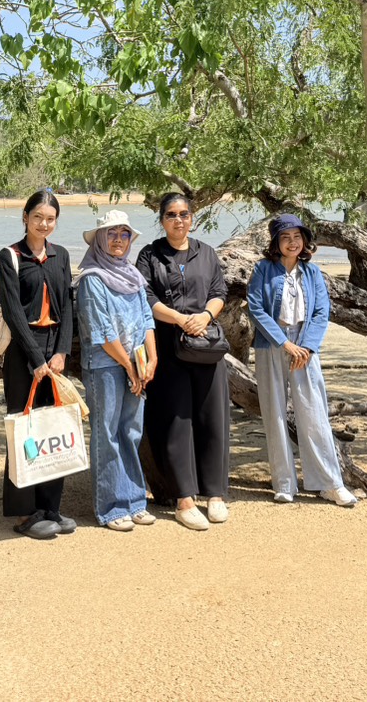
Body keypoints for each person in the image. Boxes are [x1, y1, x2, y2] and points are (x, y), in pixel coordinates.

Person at [247, 214, 357, 508]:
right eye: (285, 237)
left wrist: (306, 347)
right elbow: (256, 309)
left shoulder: (313, 273)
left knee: (314, 413)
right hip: (272, 344)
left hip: (305, 347)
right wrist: (284, 343)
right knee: (275, 414)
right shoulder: (262, 269)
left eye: (297, 237)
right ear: (275, 243)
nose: (292, 242)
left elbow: (322, 312)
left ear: (305, 241)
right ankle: (283, 483)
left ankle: (329, 484)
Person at [136, 192, 231, 531]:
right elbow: (144, 296)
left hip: (205, 344)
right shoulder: (149, 255)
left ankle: (216, 495)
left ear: (192, 218)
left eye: (184, 214)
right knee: (176, 421)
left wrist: (205, 316)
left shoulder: (206, 252)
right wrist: (178, 318)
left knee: (213, 418)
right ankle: (185, 499)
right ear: (162, 220)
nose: (179, 220)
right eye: (172, 214)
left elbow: (220, 291)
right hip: (168, 345)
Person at [0, 190, 77, 539]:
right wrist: (36, 359)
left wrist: (60, 353)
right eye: (38, 217)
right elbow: (13, 311)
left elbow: (68, 308)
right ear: (25, 217)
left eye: (50, 219)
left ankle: (52, 508)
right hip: (22, 351)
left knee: (55, 427)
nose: (44, 224)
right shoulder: (10, 256)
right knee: (25, 428)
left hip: (55, 351)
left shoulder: (60, 255)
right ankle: (26, 512)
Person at [76, 209, 158, 531]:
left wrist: (151, 361)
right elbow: (102, 331)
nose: (119, 240)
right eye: (111, 234)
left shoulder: (134, 277)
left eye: (124, 234)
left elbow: (147, 320)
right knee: (107, 435)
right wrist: (130, 368)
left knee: (131, 432)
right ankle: (111, 507)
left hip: (135, 366)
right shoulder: (92, 279)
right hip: (105, 367)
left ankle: (135, 500)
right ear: (99, 239)